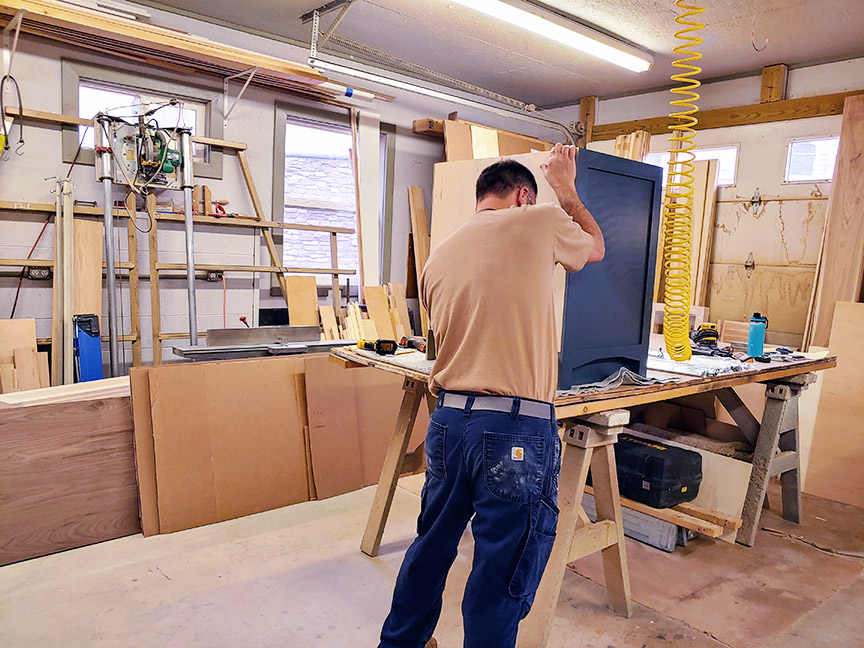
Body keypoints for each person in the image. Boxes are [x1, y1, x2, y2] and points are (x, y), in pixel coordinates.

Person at [378, 144, 605, 648]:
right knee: (503, 564)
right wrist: (566, 188)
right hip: (514, 430)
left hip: (449, 424)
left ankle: (400, 644)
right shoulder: (540, 219)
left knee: (431, 547)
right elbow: (594, 248)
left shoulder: (439, 255)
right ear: (524, 196)